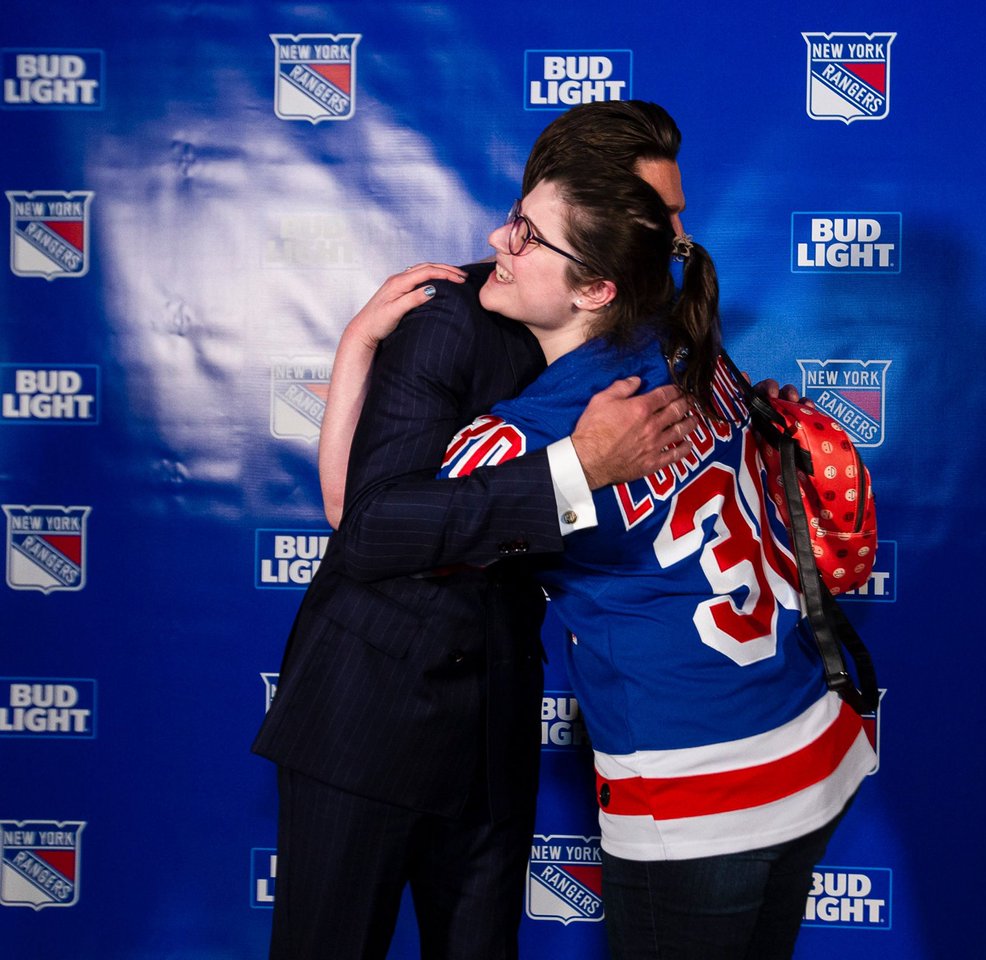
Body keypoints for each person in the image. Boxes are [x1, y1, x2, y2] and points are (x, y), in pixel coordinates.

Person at [360, 160, 875, 955]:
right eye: (513, 216)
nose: (499, 237)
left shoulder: (520, 436)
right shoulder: (681, 343)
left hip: (701, 786)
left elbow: (362, 524)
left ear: (595, 289)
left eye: (529, 236)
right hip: (812, 733)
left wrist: (358, 346)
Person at [252, 101, 700, 960]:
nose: (677, 234)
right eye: (661, 211)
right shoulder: (457, 315)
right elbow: (367, 524)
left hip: (495, 727)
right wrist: (574, 470)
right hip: (367, 716)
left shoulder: (639, 340)